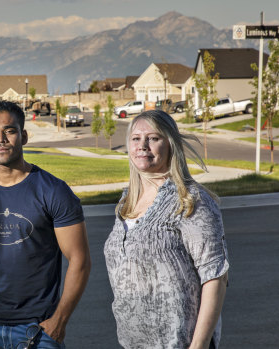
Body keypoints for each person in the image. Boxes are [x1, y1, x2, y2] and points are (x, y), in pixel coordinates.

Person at [0, 100, 91, 349]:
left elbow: (80, 260)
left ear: (24, 136)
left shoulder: (54, 192)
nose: (1, 139)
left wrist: (59, 321)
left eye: (9, 130)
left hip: (37, 331)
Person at [103, 110, 229, 349]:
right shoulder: (125, 203)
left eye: (153, 138)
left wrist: (199, 345)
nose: (143, 145)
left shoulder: (191, 200)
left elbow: (215, 276)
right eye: (136, 138)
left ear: (170, 144)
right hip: (133, 343)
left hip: (180, 342)